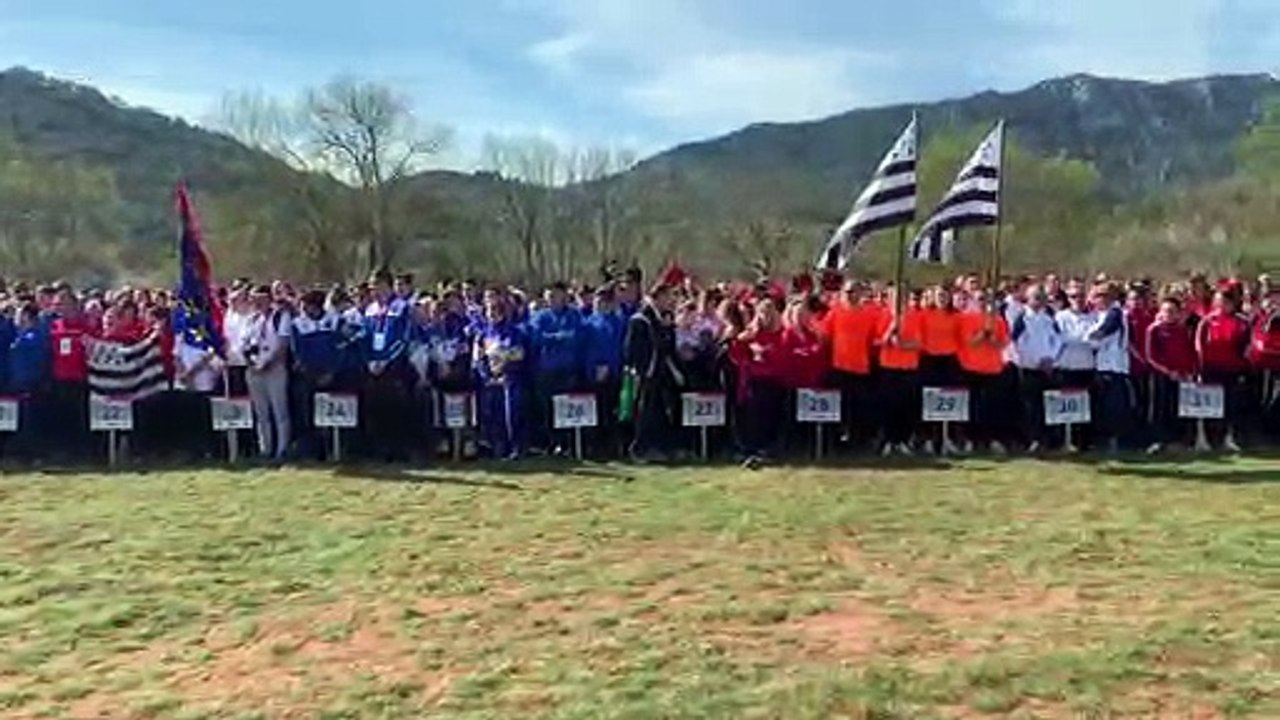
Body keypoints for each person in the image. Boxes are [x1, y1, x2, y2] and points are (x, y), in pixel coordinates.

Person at [623, 282, 681, 462]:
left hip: (660, 373)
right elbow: (631, 349)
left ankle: (660, 447)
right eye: (667, 297)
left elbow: (667, 347)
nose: (670, 301)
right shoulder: (640, 320)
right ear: (658, 298)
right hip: (646, 373)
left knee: (659, 412)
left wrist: (668, 328)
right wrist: (640, 369)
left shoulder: (663, 319)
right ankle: (639, 448)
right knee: (645, 412)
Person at [361, 270, 415, 463]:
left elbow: (404, 338)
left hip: (394, 366)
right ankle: (379, 448)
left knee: (396, 408)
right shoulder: (370, 310)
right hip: (373, 365)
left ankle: (399, 449)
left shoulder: (402, 308)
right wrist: (369, 360)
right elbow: (365, 337)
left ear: (385, 285)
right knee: (375, 408)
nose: (372, 290)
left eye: (375, 285)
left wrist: (387, 360)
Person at [818, 281, 879, 451]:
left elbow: (873, 341)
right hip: (839, 367)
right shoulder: (835, 312)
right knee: (839, 409)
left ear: (861, 293)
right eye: (847, 291)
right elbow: (824, 336)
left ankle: (858, 442)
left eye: (853, 291)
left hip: (861, 368)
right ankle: (836, 442)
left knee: (859, 409)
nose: (850, 295)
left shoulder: (870, 315)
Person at [528, 281, 586, 455]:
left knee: (567, 407)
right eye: (549, 296)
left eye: (555, 296)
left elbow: (577, 336)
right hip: (546, 369)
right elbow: (536, 338)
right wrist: (559, 337)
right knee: (548, 408)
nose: (552, 299)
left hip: (568, 369)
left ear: (564, 297)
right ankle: (552, 443)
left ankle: (568, 443)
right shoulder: (540, 316)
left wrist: (553, 337)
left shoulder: (574, 315)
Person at [473, 293, 529, 459]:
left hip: (510, 379)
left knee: (512, 413)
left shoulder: (515, 332)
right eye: (490, 310)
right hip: (490, 380)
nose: (492, 313)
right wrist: (487, 376)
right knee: (492, 414)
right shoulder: (483, 335)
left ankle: (517, 447)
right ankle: (497, 447)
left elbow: (518, 354)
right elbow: (479, 358)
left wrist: (506, 370)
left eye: (496, 310)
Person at [732, 298, 787, 467]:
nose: (766, 317)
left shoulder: (782, 333)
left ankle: (769, 448)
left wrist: (767, 354)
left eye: (770, 313)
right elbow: (736, 354)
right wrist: (741, 341)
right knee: (753, 416)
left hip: (774, 380)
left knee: (771, 415)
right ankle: (751, 449)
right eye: (763, 313)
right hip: (754, 380)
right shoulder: (752, 333)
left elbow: (783, 356)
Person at [241, 284, 292, 461]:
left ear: (269, 299)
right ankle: (265, 448)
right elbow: (245, 343)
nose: (257, 303)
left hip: (274, 369)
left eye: (261, 299)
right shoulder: (252, 319)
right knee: (261, 413)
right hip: (254, 370)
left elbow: (283, 343)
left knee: (280, 411)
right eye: (255, 300)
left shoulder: (280, 317)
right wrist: (250, 361)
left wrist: (268, 362)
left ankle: (282, 449)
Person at [957, 291, 1012, 454]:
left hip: (993, 368)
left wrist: (992, 337)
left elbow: (1003, 343)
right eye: (980, 299)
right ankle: (970, 440)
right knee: (972, 407)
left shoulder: (999, 320)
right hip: (971, 367)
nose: (983, 302)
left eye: (987, 299)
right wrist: (983, 334)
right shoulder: (966, 318)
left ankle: (992, 439)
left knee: (992, 407)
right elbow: (970, 342)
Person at [1195, 289, 1250, 452]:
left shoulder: (1242, 322)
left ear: (1233, 304)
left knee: (1230, 405)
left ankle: (1228, 438)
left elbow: (1246, 346)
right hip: (1211, 368)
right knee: (1210, 406)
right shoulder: (1206, 321)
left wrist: (1243, 367)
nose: (1222, 305)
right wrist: (1200, 366)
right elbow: (1199, 345)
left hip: (1232, 369)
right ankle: (1205, 439)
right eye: (1218, 302)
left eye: (1226, 302)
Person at [875, 286, 925, 457]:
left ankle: (903, 440)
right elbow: (879, 341)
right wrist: (891, 327)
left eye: (902, 297)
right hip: (889, 366)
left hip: (909, 367)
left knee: (907, 406)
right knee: (889, 406)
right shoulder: (883, 315)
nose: (898, 301)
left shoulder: (914, 316)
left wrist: (903, 344)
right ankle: (889, 440)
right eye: (895, 298)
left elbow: (919, 343)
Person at [1012, 285, 1062, 453]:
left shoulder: (1049, 318)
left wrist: (1051, 359)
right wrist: (1035, 361)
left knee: (1046, 406)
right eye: (1035, 297)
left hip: (1047, 369)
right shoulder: (1022, 318)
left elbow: (1058, 340)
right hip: (1029, 369)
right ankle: (1031, 439)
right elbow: (1017, 344)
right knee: (1029, 407)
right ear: (1028, 298)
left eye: (1041, 297)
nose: (1038, 301)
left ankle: (1046, 440)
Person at [1145, 296, 1197, 454]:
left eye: (1173, 311)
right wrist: (1168, 371)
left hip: (1181, 376)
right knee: (1159, 408)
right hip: (1160, 375)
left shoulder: (1182, 330)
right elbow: (1150, 356)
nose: (1169, 314)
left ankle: (1177, 441)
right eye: (1166, 310)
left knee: (1177, 408)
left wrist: (1189, 371)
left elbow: (1188, 352)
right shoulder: (1154, 329)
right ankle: (1158, 440)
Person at [1088, 282, 1132, 453]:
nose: (1099, 300)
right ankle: (1104, 440)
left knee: (1113, 406)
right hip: (1103, 365)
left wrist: (1084, 339)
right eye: (1097, 296)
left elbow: (1101, 334)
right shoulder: (1100, 314)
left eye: (1103, 296)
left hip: (1114, 367)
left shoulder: (1115, 313)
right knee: (1102, 406)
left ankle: (1114, 441)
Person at [583, 286, 626, 458]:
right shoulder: (588, 323)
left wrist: (612, 367)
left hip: (614, 372)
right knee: (597, 410)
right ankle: (596, 446)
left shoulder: (618, 323)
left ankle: (613, 445)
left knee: (612, 409)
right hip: (594, 372)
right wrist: (594, 368)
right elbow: (587, 349)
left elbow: (619, 348)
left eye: (603, 301)